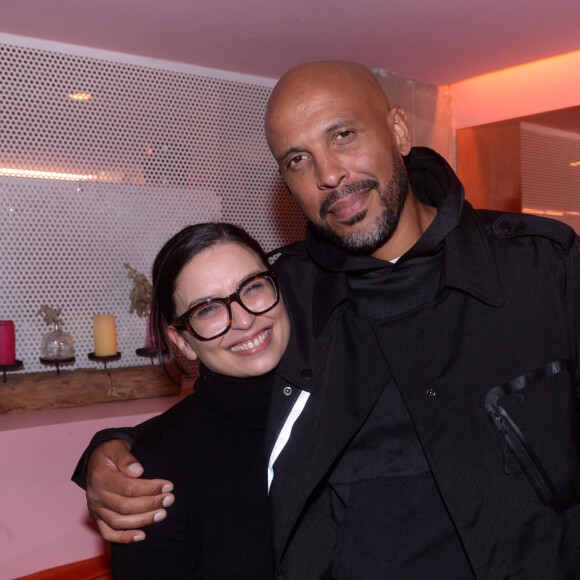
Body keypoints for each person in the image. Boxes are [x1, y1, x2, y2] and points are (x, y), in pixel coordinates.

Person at [73, 61, 580, 579]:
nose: (329, 175)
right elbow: (224, 409)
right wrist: (116, 451)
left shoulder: (545, 268)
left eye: (343, 134)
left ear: (399, 130)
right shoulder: (286, 295)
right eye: (298, 159)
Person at [93, 222, 291, 578]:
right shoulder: (154, 470)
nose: (244, 319)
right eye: (208, 309)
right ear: (181, 340)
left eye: (253, 287)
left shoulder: (338, 401)